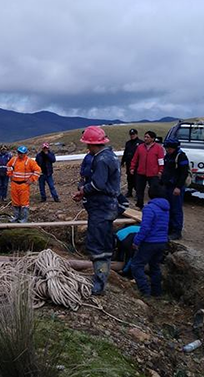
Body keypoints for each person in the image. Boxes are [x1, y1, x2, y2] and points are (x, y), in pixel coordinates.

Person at [72, 126, 121, 295]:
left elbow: (98, 184)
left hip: (102, 208)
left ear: (93, 144)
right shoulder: (110, 156)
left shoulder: (101, 160)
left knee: (98, 245)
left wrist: (83, 190)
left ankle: (99, 285)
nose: (87, 148)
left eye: (88, 144)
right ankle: (100, 278)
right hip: (105, 207)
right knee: (103, 241)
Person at [128, 186, 169, 297]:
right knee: (155, 266)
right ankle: (157, 292)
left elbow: (145, 227)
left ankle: (144, 291)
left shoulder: (149, 208)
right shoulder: (166, 208)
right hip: (162, 241)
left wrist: (136, 241)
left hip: (150, 242)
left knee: (136, 265)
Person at [161, 137, 190, 240]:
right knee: (168, 208)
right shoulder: (168, 156)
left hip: (176, 187)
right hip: (168, 185)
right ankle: (169, 229)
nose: (167, 150)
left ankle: (177, 231)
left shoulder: (181, 157)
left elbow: (183, 174)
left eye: (168, 148)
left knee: (176, 209)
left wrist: (178, 187)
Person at [130, 131, 164, 208]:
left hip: (153, 173)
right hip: (141, 172)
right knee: (139, 190)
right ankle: (139, 204)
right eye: (145, 137)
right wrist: (132, 167)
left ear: (152, 138)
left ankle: (154, 205)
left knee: (153, 190)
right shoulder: (140, 147)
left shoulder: (158, 148)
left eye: (147, 137)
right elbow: (135, 158)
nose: (145, 139)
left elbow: (161, 161)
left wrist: (160, 170)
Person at [7, 146, 41, 223]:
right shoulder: (14, 160)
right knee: (15, 202)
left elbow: (38, 171)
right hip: (14, 184)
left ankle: (23, 218)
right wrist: (10, 174)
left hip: (24, 185)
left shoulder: (30, 162)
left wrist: (32, 179)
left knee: (24, 203)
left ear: (25, 153)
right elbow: (8, 166)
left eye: (22, 153)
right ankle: (16, 217)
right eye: (19, 153)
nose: (20, 155)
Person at [121, 129, 142, 197]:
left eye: (133, 134)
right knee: (129, 178)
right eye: (131, 134)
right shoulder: (128, 143)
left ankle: (137, 193)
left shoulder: (141, 143)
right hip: (129, 163)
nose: (132, 136)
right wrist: (122, 161)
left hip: (138, 164)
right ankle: (129, 191)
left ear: (136, 134)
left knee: (137, 179)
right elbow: (125, 153)